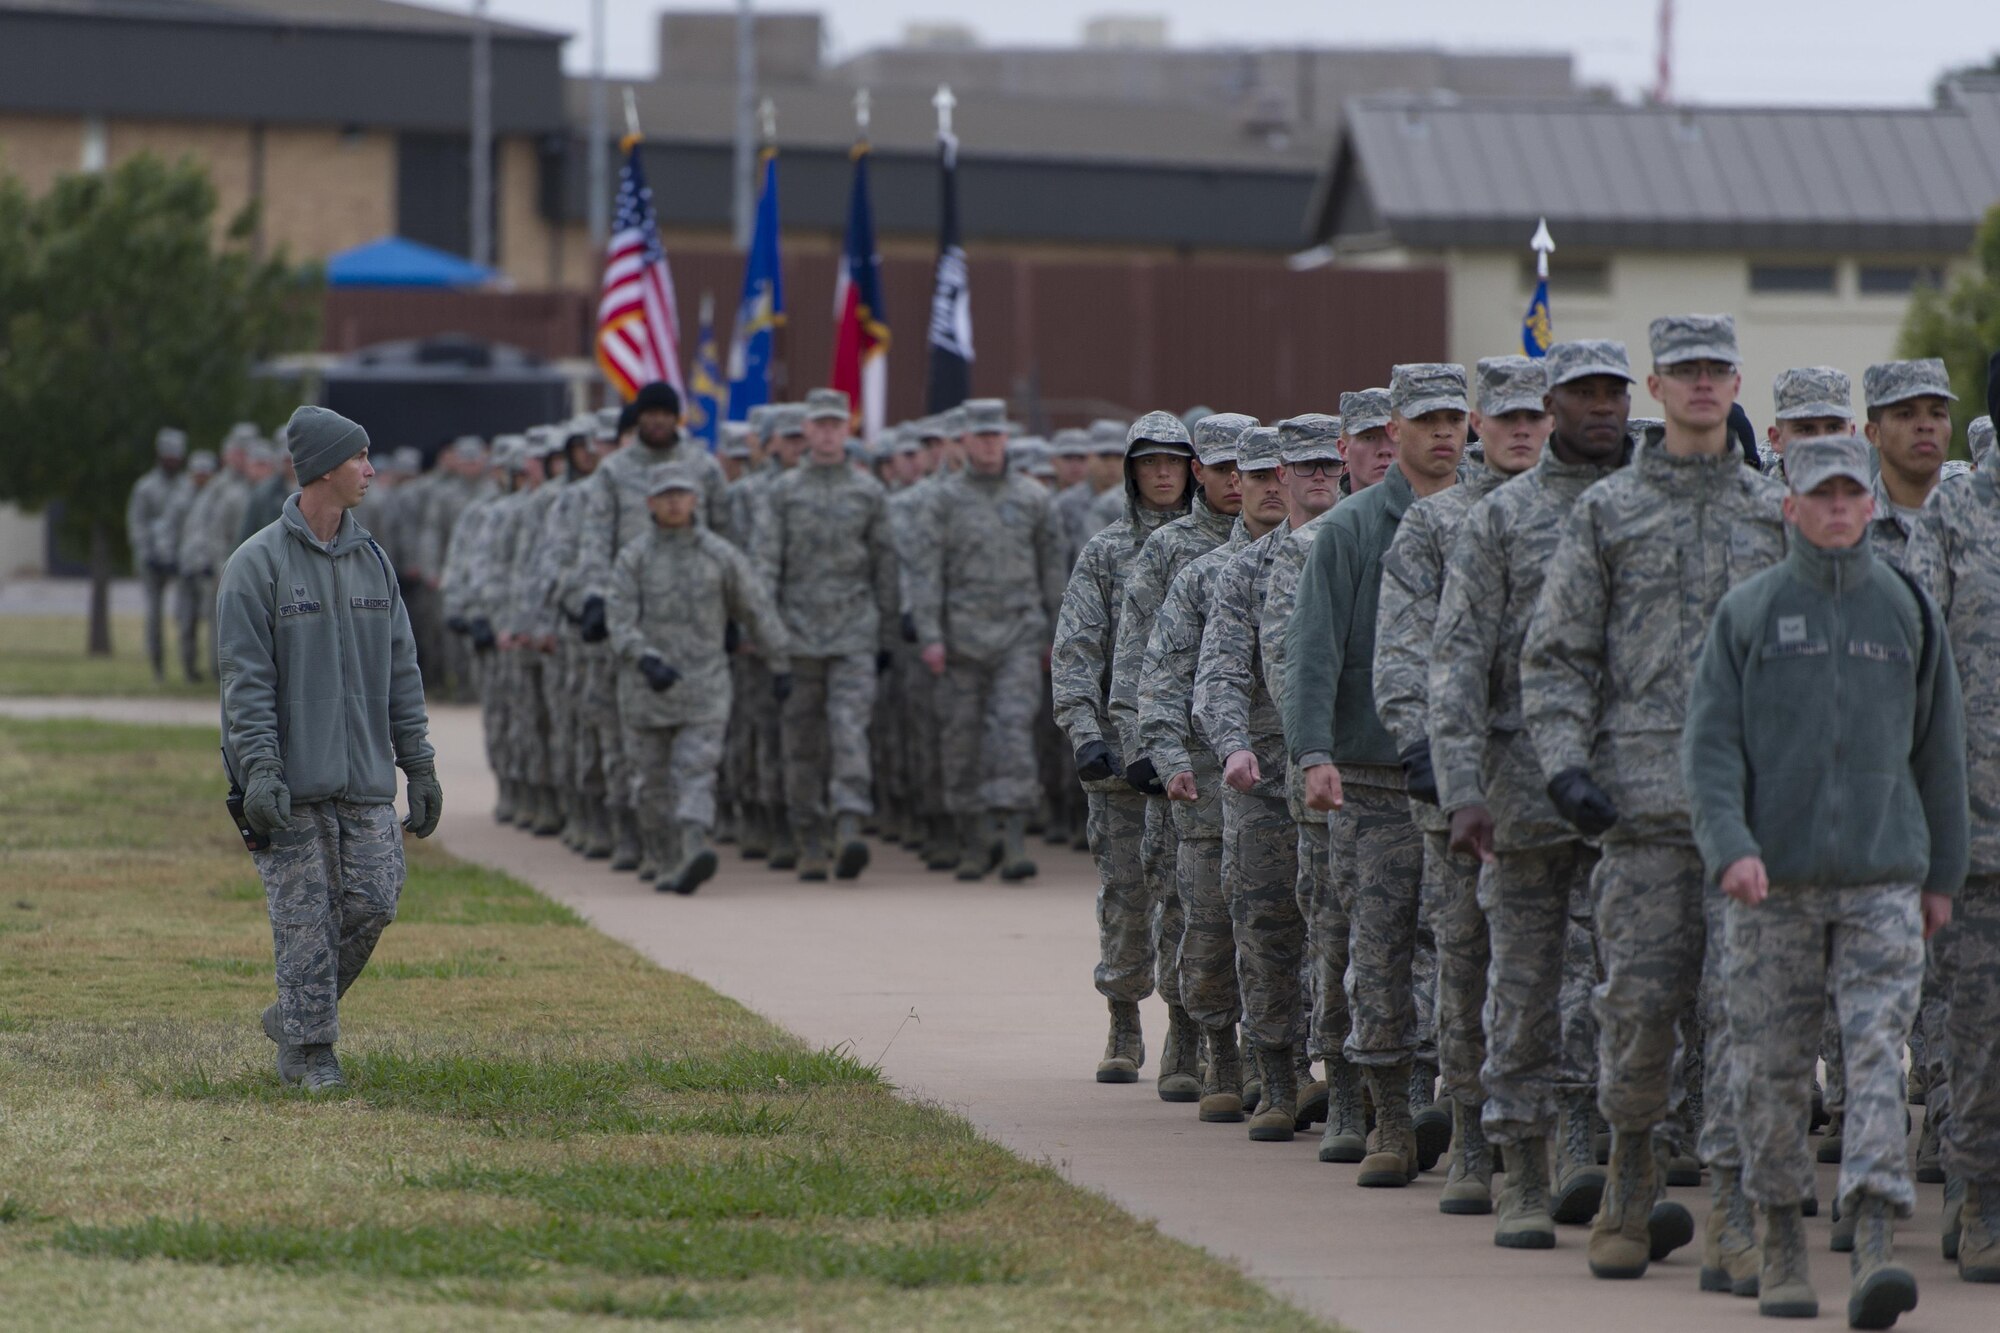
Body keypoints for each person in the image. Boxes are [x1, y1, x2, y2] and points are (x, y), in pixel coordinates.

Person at [1520, 314, 1785, 1284]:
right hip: (1638, 814)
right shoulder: (1607, 513)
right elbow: (1557, 654)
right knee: (1635, 1014)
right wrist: (1564, 766)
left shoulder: (1776, 513)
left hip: (1750, 817)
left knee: (1745, 1022)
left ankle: (1736, 1217)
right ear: (1656, 386)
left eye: (1717, 368)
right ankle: (1628, 1178)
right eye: (1684, 369)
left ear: (1735, 383)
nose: (1702, 383)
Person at [1685, 433, 1964, 1325]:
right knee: (1771, 1069)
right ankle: (1777, 1245)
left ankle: (1875, 1236)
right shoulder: (1750, 612)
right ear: (1790, 506)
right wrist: (1731, 846)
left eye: (1851, 493)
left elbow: (1940, 752)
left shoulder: (1905, 609)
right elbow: (1710, 749)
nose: (1839, 507)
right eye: (1822, 494)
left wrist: (1941, 873)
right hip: (1772, 886)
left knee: (1878, 1055)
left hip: (1883, 880)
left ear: (1870, 505)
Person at [1431, 339, 1635, 1248]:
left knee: (1628, 985)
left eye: (1613, 393)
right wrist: (1461, 787)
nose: (1602, 407)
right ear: (1552, 407)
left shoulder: (1646, 506)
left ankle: (1596, 1149)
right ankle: (1519, 1163)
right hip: (1520, 792)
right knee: (1522, 984)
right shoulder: (1503, 517)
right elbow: (1457, 662)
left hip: (1634, 789)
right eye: (1582, 393)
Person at [215, 404, 441, 1094]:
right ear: (321, 468)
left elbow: (403, 669)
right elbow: (245, 683)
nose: (370, 469)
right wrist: (260, 770)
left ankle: (293, 1014)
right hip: (289, 781)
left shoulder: (374, 562)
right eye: (358, 457)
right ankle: (312, 1052)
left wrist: (419, 763)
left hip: (365, 778)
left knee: (376, 899)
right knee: (305, 920)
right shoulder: (256, 565)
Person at [1284, 363, 1468, 1190]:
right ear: (1394, 430)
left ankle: (1460, 1111)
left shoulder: (1488, 517)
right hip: (1375, 773)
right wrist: (1313, 752)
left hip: (1464, 773)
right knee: (1379, 947)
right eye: (1425, 420)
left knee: (1465, 949)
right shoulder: (1352, 529)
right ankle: (1388, 1111)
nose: (1443, 433)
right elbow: (1312, 649)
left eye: (1454, 418)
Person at [1374, 355, 1551, 1213]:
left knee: (1566, 965)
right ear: (1480, 425)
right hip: (1465, 782)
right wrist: (1425, 751)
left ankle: (1564, 1138)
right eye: (1504, 416)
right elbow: (1405, 648)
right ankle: (1473, 1136)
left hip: (1559, 785)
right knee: (1465, 958)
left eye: (1533, 416)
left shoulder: (1583, 512)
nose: (1520, 430)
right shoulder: (1436, 522)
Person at [1108, 412, 1251, 1100]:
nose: (1237, 482)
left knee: (1260, 907)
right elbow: (1138, 654)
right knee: (1181, 899)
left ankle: (1256, 1047)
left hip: (1255, 756)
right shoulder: (1169, 550)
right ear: (1203, 473)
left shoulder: (1286, 543)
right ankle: (1184, 1029)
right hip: (1185, 758)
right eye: (1222, 469)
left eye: (1248, 470)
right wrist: (1142, 747)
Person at [1052, 411, 1195, 1082]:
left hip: (1193, 753)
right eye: (1150, 462)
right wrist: (1085, 735)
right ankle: (1124, 1016)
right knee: (1127, 892)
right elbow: (1076, 649)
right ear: (1132, 472)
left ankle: (1189, 1028)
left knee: (1191, 897)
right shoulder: (1106, 551)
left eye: (1174, 461)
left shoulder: (1218, 545)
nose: (1163, 473)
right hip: (1119, 756)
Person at [1137, 426, 1273, 1130]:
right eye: (1253, 474)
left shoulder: (1324, 555)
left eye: (1279, 473)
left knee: (1284, 931)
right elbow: (1160, 677)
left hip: (1293, 783)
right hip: (1210, 782)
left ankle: (1274, 1061)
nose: (1268, 487)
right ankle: (1217, 1048)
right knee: (1209, 927)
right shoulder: (1200, 572)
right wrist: (1168, 759)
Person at [1906, 425, 2000, 1287]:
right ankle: (1980, 1197)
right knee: (1978, 1029)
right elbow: (1913, 661)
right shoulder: (1955, 513)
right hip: (1979, 828)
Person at [608, 462, 790, 896]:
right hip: (647, 690)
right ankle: (663, 854)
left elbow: (756, 609)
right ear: (650, 503)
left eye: (682, 494)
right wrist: (644, 658)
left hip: (705, 685)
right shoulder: (634, 557)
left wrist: (780, 661)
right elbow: (619, 621)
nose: (675, 502)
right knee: (651, 783)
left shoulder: (721, 555)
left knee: (696, 770)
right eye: (666, 495)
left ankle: (693, 846)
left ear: (696, 500)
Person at [907, 398, 1068, 882]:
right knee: (962, 738)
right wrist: (930, 636)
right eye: (980, 437)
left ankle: (1014, 838)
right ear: (964, 442)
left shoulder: (1033, 497)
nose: (989, 445)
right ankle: (974, 840)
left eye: (995, 436)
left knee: (1012, 731)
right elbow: (925, 572)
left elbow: (1053, 570)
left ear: (1006, 439)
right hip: (959, 639)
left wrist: (1056, 633)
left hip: (1018, 634)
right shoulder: (941, 500)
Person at [754, 387, 898, 881]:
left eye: (837, 424)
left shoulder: (868, 492)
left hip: (853, 633)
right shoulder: (782, 492)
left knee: (849, 730)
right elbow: (765, 568)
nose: (829, 433)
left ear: (847, 429)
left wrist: (885, 636)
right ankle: (809, 837)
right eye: (820, 425)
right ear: (807, 431)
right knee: (802, 742)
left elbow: (884, 567)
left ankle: (849, 824)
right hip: (796, 637)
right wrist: (770, 638)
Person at [126, 427, 188, 682]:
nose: (172, 460)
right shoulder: (145, 487)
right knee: (154, 616)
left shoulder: (187, 486)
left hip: (181, 559)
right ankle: (157, 667)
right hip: (152, 561)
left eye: (176, 456)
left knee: (185, 614)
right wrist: (146, 554)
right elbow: (137, 524)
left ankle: (188, 667)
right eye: (168, 456)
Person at [162, 449, 219, 682]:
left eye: (205, 473)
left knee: (213, 621)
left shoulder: (218, 498)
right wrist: (169, 557)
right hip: (186, 567)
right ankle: (189, 669)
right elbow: (169, 529)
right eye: (198, 473)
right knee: (186, 621)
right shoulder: (180, 498)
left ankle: (216, 670)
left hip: (207, 568)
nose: (201, 478)